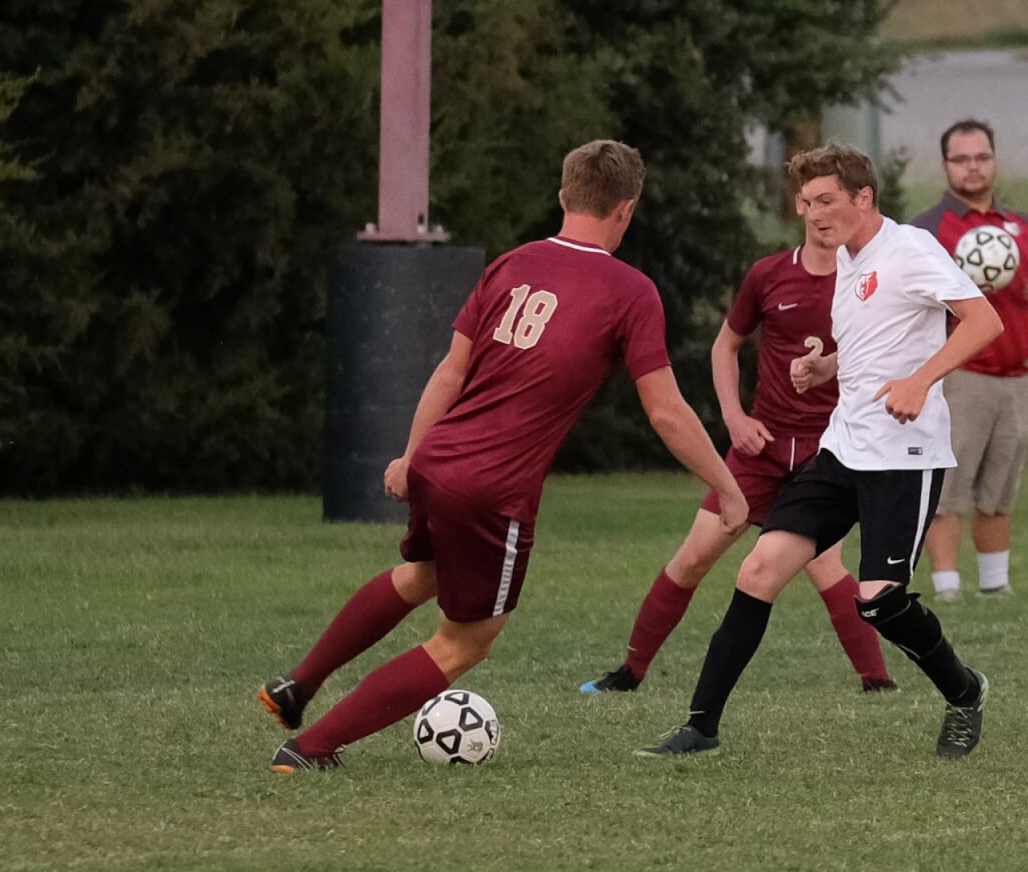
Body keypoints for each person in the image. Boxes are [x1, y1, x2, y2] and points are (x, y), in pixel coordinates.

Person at [255, 140, 746, 772]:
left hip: (439, 460)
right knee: (464, 645)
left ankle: (297, 684)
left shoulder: (512, 264)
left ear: (564, 196)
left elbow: (449, 372)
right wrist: (728, 486)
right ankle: (310, 748)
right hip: (491, 492)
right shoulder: (631, 290)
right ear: (627, 210)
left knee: (421, 576)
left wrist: (411, 457)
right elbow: (666, 412)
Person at [635, 142, 1004, 759]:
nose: (812, 214)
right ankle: (700, 727)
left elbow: (983, 320)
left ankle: (965, 694)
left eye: (825, 201)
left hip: (904, 455)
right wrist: (825, 366)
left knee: (878, 602)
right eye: (805, 203)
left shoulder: (909, 249)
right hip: (843, 448)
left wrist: (920, 380)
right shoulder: (848, 264)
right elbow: (879, 342)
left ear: (864, 198)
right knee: (757, 571)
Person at [576, 221, 895, 695]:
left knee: (825, 564)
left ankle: (878, 681)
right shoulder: (768, 275)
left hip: (825, 451)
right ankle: (629, 672)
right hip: (759, 449)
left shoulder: (871, 279)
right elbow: (725, 345)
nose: (824, 216)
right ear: (802, 207)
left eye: (834, 202)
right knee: (693, 559)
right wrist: (734, 417)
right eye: (814, 202)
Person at [908, 118, 1028, 603]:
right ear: (945, 166)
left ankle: (995, 586)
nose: (972, 168)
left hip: (1017, 377)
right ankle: (948, 588)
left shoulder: (1024, 226)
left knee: (1000, 487)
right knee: (948, 486)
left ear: (994, 161)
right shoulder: (927, 229)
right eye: (961, 160)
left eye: (981, 158)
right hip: (960, 376)